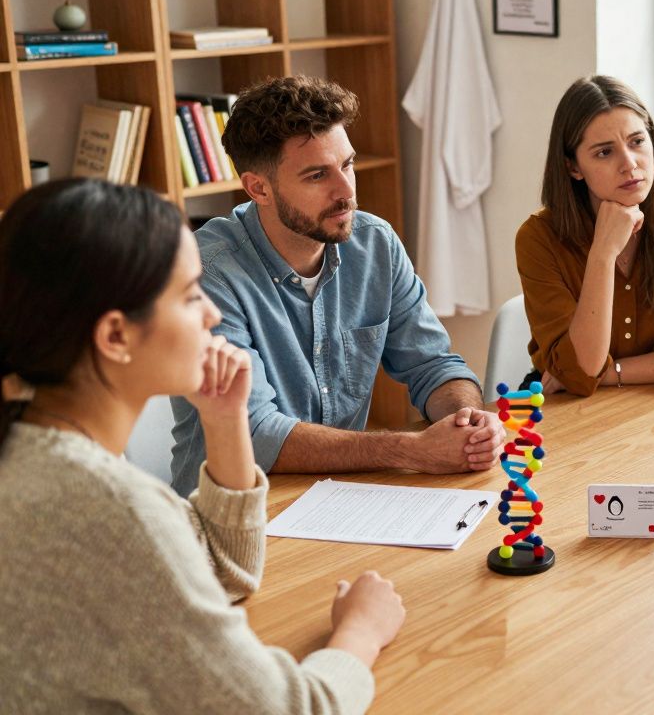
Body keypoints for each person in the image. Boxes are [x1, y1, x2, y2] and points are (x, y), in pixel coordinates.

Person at [0, 180, 405, 712]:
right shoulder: (112, 509)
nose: (212, 317)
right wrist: (360, 633)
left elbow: (224, 570)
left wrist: (225, 419)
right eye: (191, 296)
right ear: (115, 336)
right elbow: (288, 709)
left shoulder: (35, 450)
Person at [169, 76, 504, 495]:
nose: (346, 191)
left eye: (347, 164)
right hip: (231, 513)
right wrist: (410, 449)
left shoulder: (374, 243)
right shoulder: (206, 275)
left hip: (337, 501)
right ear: (259, 188)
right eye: (317, 176)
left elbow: (434, 365)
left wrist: (467, 423)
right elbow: (254, 432)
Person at [516, 75, 654, 396]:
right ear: (574, 167)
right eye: (605, 152)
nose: (630, 164)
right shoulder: (538, 238)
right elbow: (582, 370)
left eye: (637, 141)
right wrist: (602, 255)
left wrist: (607, 373)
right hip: (563, 405)